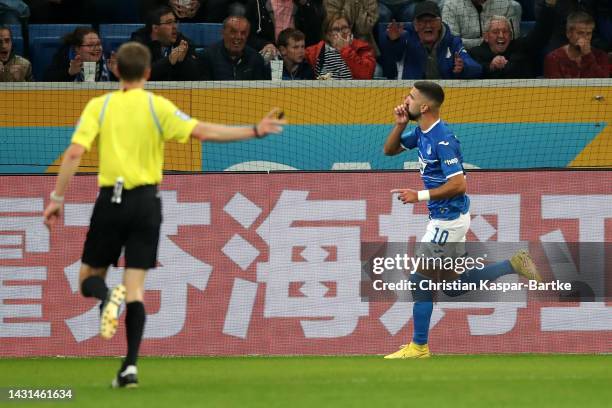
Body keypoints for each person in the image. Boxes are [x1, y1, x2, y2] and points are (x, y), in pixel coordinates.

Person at [42, 41, 285, 387]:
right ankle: (129, 368)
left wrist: (57, 198)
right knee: (136, 289)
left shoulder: (100, 105)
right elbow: (204, 132)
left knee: (88, 279)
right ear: (148, 72)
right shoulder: (158, 107)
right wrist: (254, 130)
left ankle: (106, 295)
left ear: (114, 70)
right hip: (147, 203)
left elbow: (73, 154)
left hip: (111, 200)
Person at [382, 81, 541, 359]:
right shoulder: (421, 133)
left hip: (447, 221)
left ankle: (419, 347)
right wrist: (399, 124)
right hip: (449, 218)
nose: (405, 100)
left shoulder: (443, 140)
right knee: (455, 287)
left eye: (411, 97)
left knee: (420, 280)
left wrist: (418, 195)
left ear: (425, 106)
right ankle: (512, 263)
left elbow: (458, 184)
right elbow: (389, 151)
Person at [379, 1, 482, 79]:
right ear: (415, 25)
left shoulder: (452, 42)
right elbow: (389, 61)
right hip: (411, 93)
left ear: (440, 23)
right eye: (422, 21)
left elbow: (477, 68)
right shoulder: (405, 39)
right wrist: (392, 41)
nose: (428, 25)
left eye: (432, 21)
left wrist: (464, 67)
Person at [468, 0, 557, 79]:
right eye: (495, 32)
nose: (501, 35)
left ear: (511, 35)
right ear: (486, 37)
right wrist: (491, 66)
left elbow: (541, 33)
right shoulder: (474, 53)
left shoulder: (521, 47)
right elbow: (472, 72)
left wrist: (549, 6)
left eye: (505, 31)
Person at [130, 6, 200, 81]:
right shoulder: (138, 45)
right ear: (155, 28)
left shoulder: (183, 44)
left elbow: (197, 77)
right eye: (169, 22)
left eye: (175, 22)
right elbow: (139, 74)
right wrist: (169, 60)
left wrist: (183, 61)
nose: (175, 27)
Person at [304, 12, 376, 79]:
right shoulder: (314, 52)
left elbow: (366, 75)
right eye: (335, 29)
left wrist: (345, 50)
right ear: (327, 35)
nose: (341, 33)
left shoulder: (362, 48)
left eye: (345, 28)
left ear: (350, 30)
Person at [199, 15, 271, 80]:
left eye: (243, 33)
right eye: (233, 32)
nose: (238, 37)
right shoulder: (207, 56)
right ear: (223, 32)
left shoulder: (256, 59)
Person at [544, 11, 609, 78]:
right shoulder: (554, 59)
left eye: (588, 33)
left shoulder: (601, 56)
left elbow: (602, 85)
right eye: (580, 33)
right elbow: (555, 88)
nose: (585, 37)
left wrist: (587, 56)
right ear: (568, 33)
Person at [44, 27, 117, 82]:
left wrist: (117, 74)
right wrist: (69, 73)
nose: (97, 48)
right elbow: (47, 80)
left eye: (98, 44)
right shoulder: (64, 57)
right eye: (90, 45)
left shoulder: (109, 57)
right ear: (77, 48)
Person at [441, 0, 522, 50]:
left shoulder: (505, 4)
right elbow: (450, 42)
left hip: (499, 55)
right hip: (463, 56)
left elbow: (512, 39)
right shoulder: (451, 5)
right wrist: (486, 41)